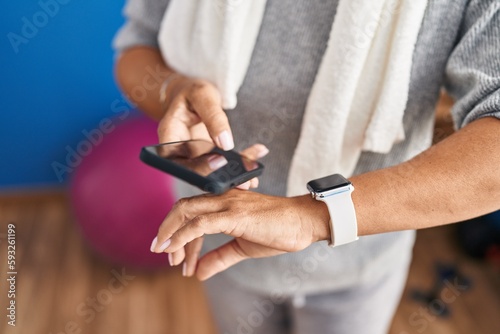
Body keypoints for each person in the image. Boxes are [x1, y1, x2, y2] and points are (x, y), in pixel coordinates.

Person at [113, 0, 500, 333]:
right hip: (221, 245)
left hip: (360, 262)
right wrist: (172, 89)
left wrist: (310, 216)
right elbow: (136, 47)